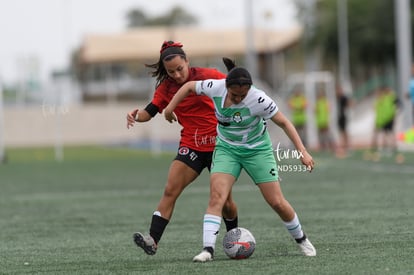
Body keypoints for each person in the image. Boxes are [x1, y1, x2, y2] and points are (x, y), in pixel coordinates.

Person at [164, 58, 316, 262]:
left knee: (277, 202)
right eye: (235, 95)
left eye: (243, 95)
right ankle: (207, 250)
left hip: (257, 151)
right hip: (227, 149)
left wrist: (302, 152)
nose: (238, 99)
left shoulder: (259, 99)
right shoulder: (215, 87)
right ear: (226, 86)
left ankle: (302, 240)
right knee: (217, 196)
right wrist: (169, 108)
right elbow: (189, 86)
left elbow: (285, 123)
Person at [126, 41, 239, 255]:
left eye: (180, 69)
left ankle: (234, 237)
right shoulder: (165, 88)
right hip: (191, 146)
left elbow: (238, 88)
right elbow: (149, 112)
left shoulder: (208, 74)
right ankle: (153, 240)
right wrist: (135, 115)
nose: (177, 75)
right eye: (171, 72)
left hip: (220, 146)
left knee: (225, 201)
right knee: (170, 189)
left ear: (187, 61)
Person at [336, 85, 351, 157]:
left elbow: (349, 104)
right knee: (342, 132)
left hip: (343, 117)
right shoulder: (337, 98)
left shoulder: (343, 98)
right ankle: (343, 147)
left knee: (344, 132)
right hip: (339, 117)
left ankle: (346, 147)